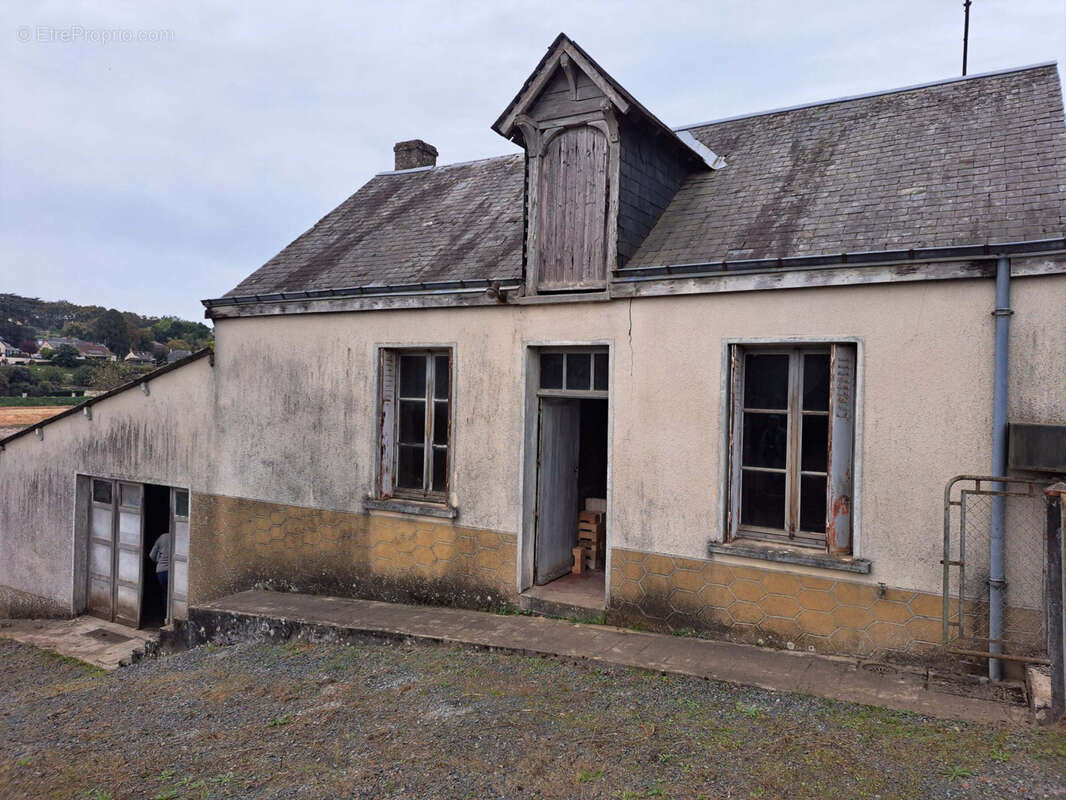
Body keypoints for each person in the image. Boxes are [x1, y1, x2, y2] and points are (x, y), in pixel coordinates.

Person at [149, 531, 171, 616]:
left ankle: (166, 616)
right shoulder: (178, 536)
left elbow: (151, 555)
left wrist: (159, 561)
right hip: (174, 572)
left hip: (160, 571)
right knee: (172, 595)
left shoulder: (162, 537)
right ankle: (170, 617)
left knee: (165, 593)